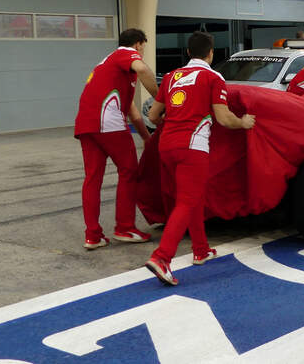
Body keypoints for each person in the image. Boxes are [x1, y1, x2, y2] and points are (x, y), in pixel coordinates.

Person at [145, 31, 255, 286]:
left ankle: (201, 249)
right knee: (187, 201)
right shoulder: (212, 77)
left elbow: (152, 115)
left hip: (166, 146)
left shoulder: (172, 76)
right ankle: (162, 258)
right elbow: (224, 118)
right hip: (192, 146)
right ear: (211, 53)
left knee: (191, 198)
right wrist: (243, 123)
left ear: (187, 53)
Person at [74, 28, 159, 250]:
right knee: (129, 171)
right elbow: (142, 69)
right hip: (107, 122)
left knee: (92, 178)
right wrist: (161, 100)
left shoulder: (108, 66)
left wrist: (146, 137)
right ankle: (125, 227)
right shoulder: (125, 55)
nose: (141, 52)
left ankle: (92, 235)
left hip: (86, 123)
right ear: (138, 44)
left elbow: (131, 109)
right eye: (142, 47)